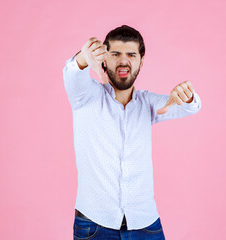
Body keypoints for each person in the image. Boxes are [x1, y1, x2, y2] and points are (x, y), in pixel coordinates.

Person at [63, 25, 201, 240]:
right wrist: (83, 57)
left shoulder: (148, 103)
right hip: (94, 224)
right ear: (104, 59)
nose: (123, 60)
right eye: (115, 54)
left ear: (141, 61)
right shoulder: (85, 96)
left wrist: (187, 96)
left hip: (145, 224)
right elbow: (73, 72)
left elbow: (189, 107)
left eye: (131, 54)